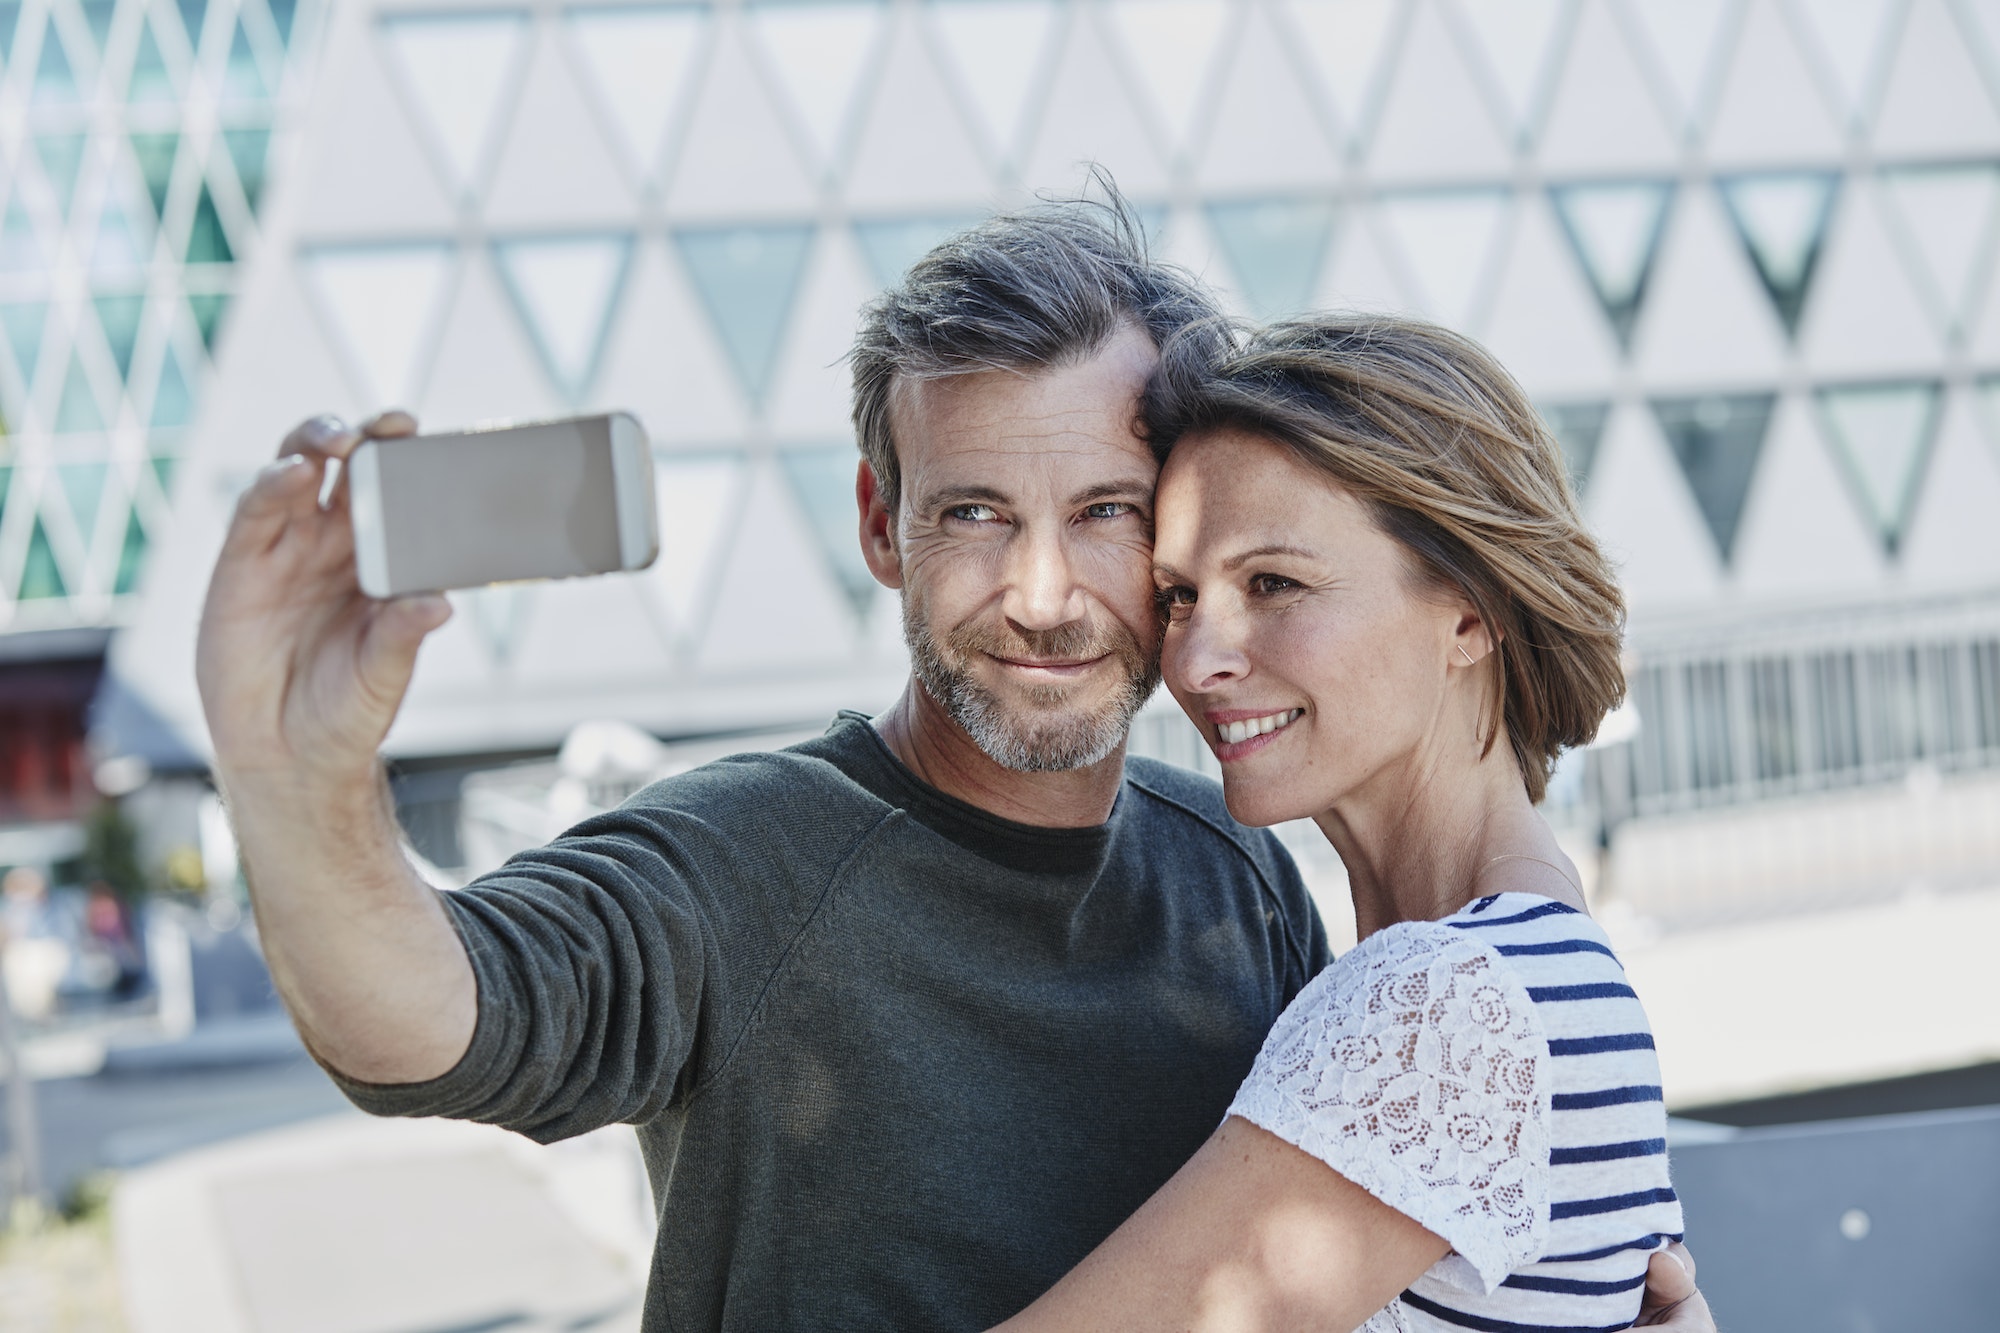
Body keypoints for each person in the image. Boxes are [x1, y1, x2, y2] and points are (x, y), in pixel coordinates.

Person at [195, 198, 1710, 1330]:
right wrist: (296, 778)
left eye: (1108, 514)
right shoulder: (742, 856)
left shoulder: (1244, 876)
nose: (1043, 594)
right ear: (881, 524)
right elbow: (428, 1017)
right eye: (976, 512)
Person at [992, 314, 1699, 1331]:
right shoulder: (1542, 966)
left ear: (1466, 608)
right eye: (1180, 597)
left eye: (1272, 582)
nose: (1193, 663)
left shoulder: (1445, 1007)